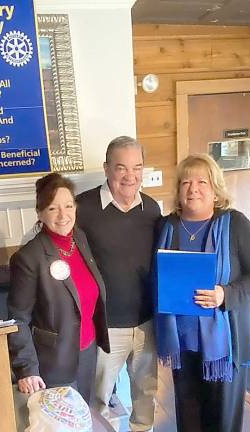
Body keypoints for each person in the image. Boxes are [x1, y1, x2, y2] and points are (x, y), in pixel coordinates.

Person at [155, 153, 250, 432]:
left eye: (201, 182)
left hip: (225, 343)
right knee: (189, 417)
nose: (193, 189)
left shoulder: (235, 224)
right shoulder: (167, 226)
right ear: (178, 189)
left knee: (222, 420)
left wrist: (225, 294)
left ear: (215, 187)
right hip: (183, 342)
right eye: (185, 182)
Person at [76, 136, 161, 432]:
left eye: (137, 168)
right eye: (121, 168)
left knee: (145, 396)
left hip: (146, 323)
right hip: (104, 327)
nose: (130, 176)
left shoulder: (151, 209)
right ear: (106, 169)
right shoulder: (81, 209)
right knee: (96, 400)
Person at [8, 173, 110, 404]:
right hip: (53, 363)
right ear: (40, 212)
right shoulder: (28, 258)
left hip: (87, 352)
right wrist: (27, 368)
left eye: (68, 205)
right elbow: (17, 318)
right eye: (53, 208)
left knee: (84, 419)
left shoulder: (80, 239)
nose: (63, 215)